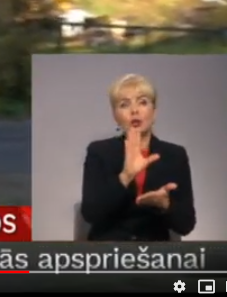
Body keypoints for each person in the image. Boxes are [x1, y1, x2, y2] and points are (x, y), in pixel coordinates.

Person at [80, 73, 196, 241]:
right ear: (115, 115)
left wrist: (165, 205)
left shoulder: (175, 155)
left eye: (142, 102)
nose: (134, 110)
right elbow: (90, 213)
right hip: (108, 251)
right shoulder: (99, 152)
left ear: (154, 112)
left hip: (154, 252)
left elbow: (186, 225)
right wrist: (126, 175)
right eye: (124, 104)